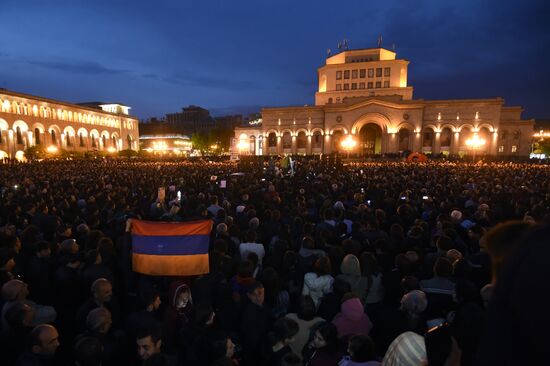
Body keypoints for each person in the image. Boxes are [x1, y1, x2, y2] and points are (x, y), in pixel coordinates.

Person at [240, 281, 271, 366]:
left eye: (260, 293)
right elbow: (252, 340)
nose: (258, 298)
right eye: (254, 295)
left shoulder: (265, 306)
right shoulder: (248, 315)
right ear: (249, 296)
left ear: (264, 291)